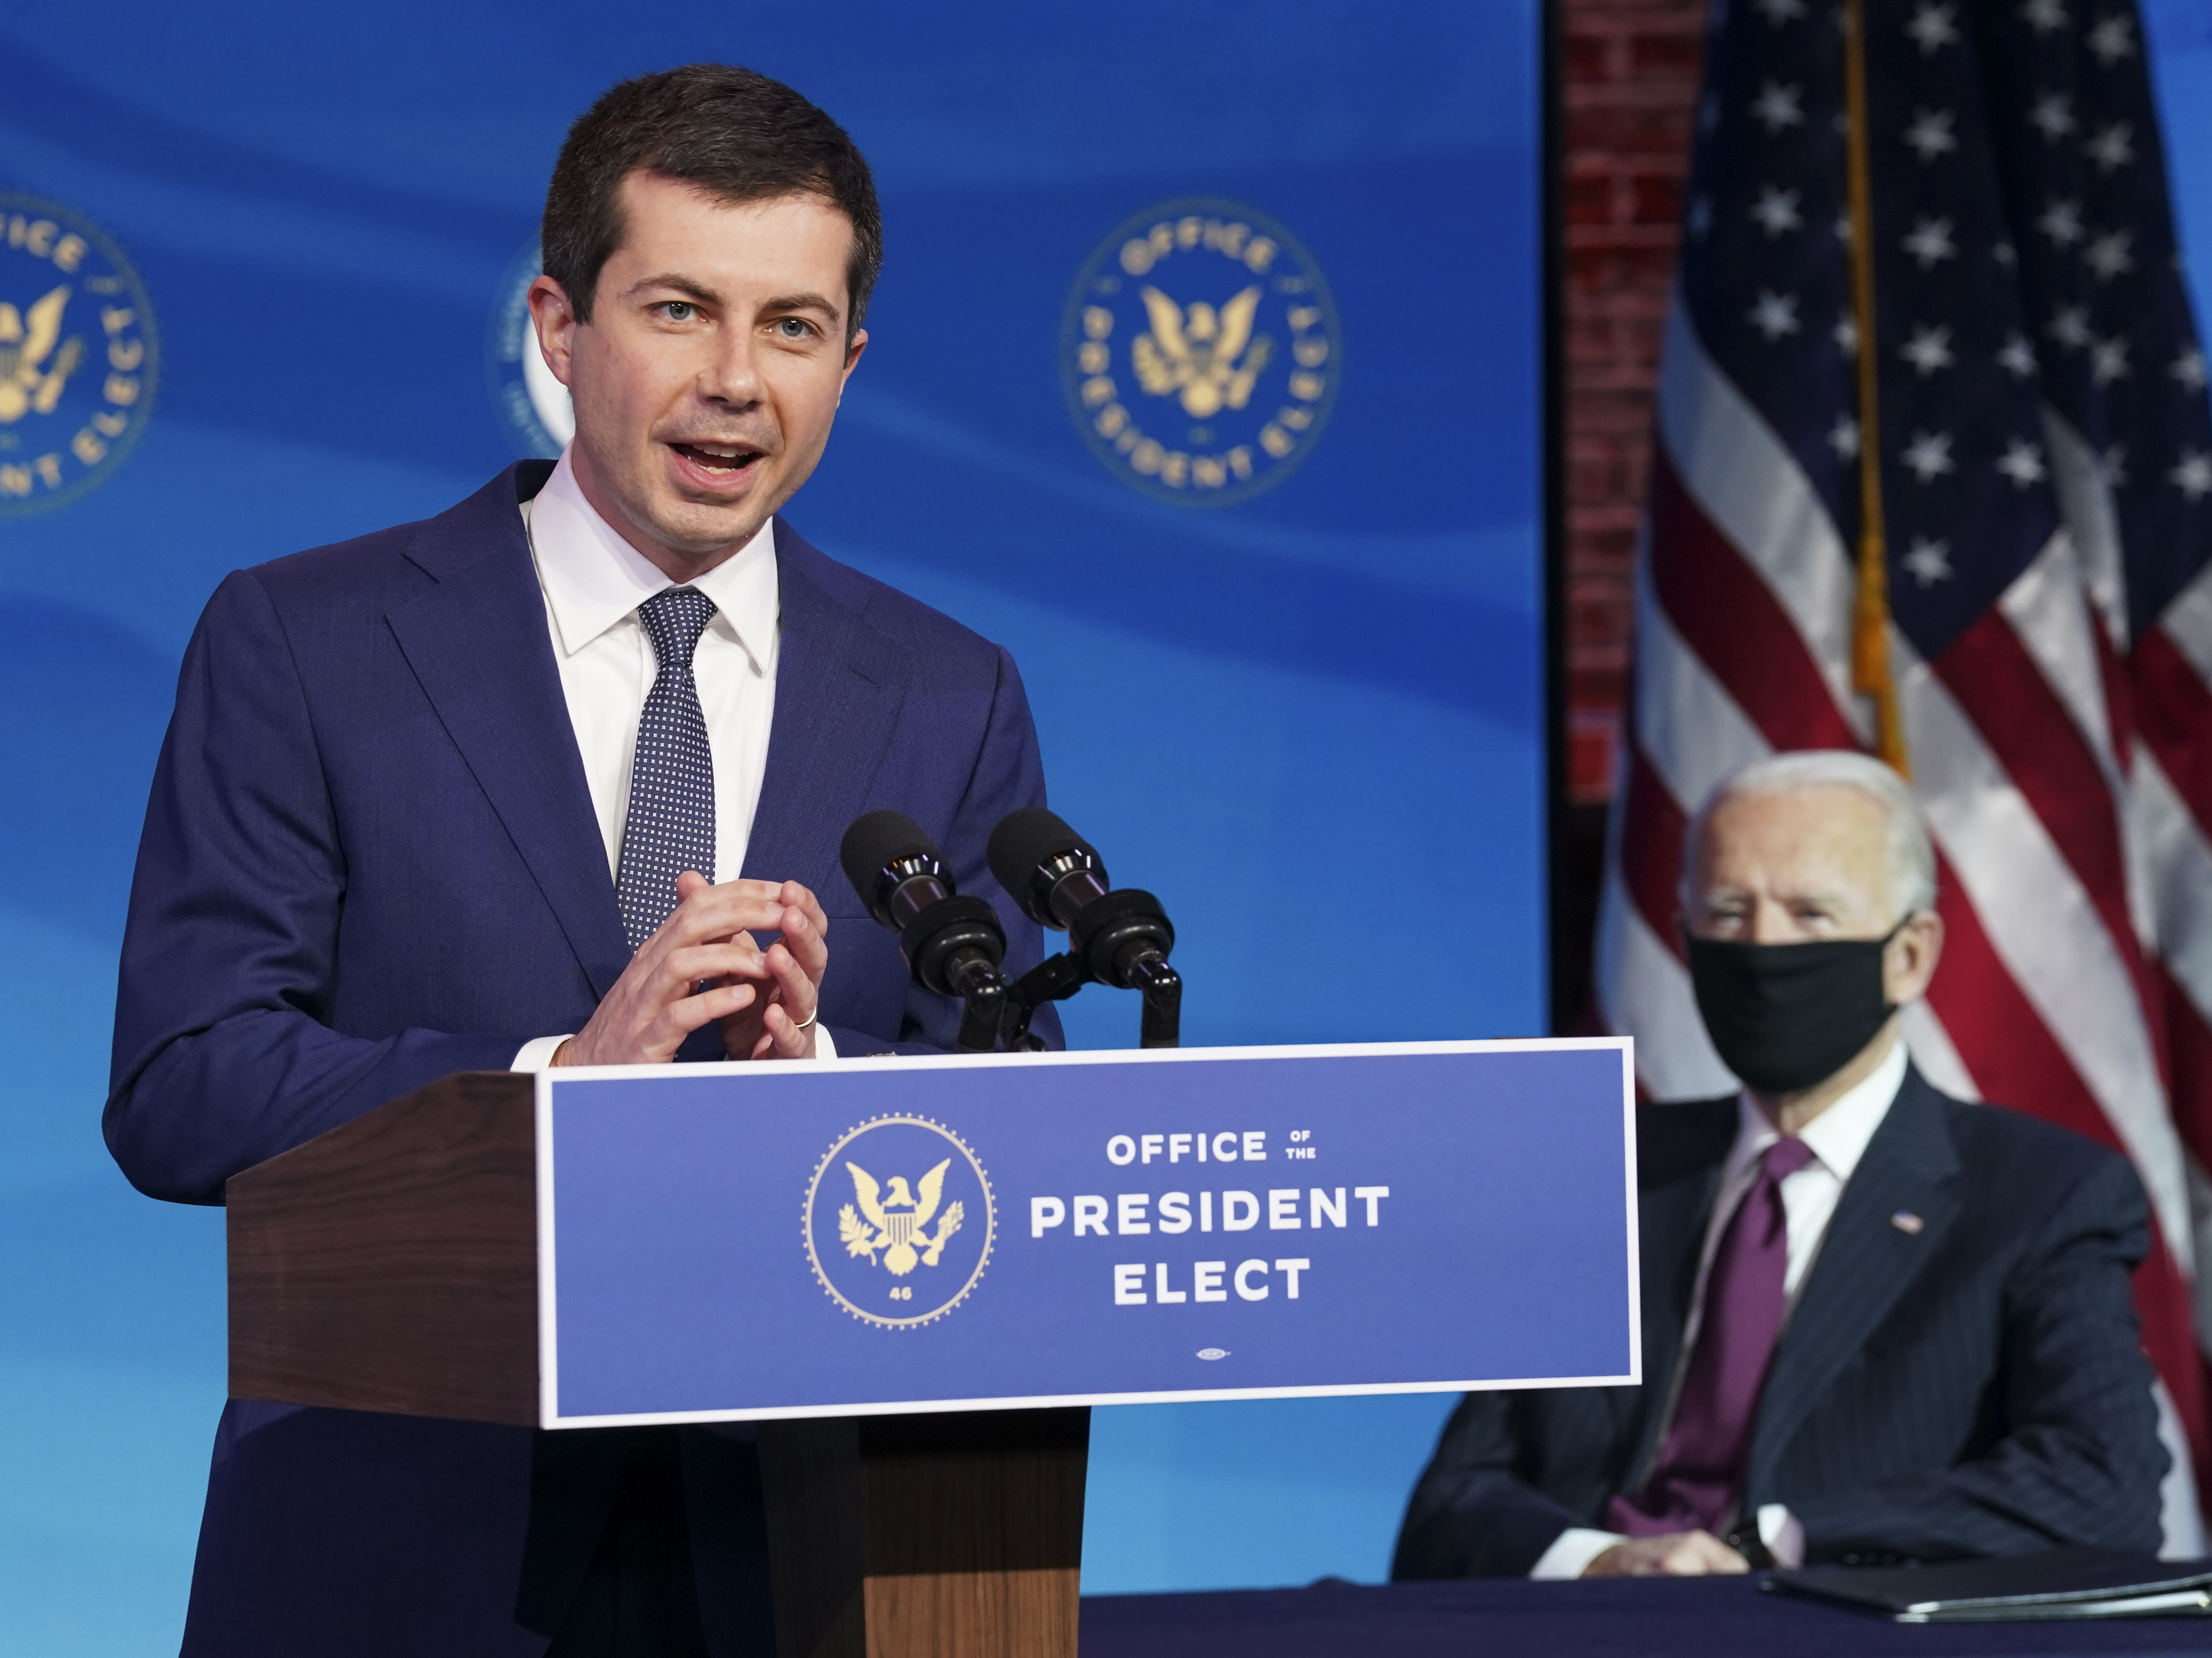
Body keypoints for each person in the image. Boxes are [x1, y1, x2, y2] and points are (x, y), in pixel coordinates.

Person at [106, 64, 1057, 1656]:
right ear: (560, 329)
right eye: (680, 310)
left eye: (793, 327)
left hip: (811, 1563)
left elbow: (1014, 1123)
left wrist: (818, 1077)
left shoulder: (950, 693)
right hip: (406, 1550)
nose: (738, 382)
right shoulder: (310, 641)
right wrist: (556, 1081)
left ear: (849, 360)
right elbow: (188, 1082)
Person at [1394, 750, 2169, 1581]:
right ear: (1686, 942)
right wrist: (1604, 1560)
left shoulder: (2040, 1194)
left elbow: (2103, 1487)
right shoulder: (1598, 1171)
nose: (1763, 947)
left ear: (1909, 956)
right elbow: (1455, 1500)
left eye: (1810, 915)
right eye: (1729, 912)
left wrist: (1779, 1541)